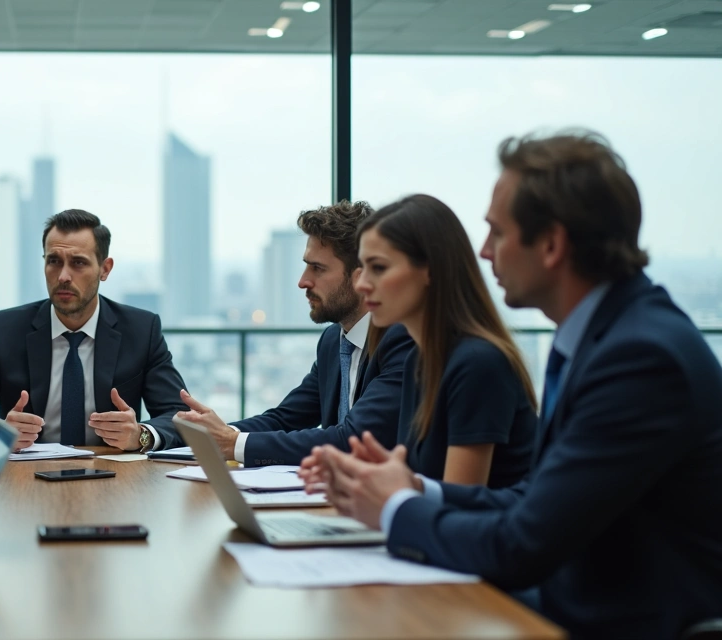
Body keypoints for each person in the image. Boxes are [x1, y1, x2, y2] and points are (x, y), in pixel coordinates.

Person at [301, 132, 722, 638]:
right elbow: (534, 498)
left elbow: (524, 544)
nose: (482, 251)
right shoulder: (602, 335)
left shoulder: (639, 357)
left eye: (497, 233)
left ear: (551, 245)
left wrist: (396, 509)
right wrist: (413, 488)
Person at [175, 202, 414, 467]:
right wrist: (211, 432)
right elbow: (285, 419)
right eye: (305, 266)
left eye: (318, 268)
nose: (303, 281)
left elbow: (352, 439)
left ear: (359, 276)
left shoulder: (401, 339)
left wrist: (233, 443)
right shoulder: (334, 341)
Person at [0, 209, 189, 452]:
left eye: (78, 263)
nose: (63, 276)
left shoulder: (141, 330)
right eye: (54, 261)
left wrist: (140, 435)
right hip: (25, 480)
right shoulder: (3, 331)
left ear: (105, 269)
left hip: (114, 478)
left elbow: (183, 419)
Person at [354, 194, 535, 487]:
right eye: (363, 267)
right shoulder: (420, 359)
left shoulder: (478, 363)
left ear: (430, 270)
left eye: (379, 267)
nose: (361, 284)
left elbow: (457, 502)